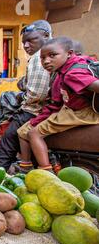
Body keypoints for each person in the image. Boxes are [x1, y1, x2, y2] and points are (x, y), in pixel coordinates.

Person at [16, 37, 99, 173]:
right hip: (72, 109)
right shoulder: (66, 70)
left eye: (52, 55)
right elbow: (56, 102)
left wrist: (36, 121)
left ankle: (46, 171)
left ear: (69, 53)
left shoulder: (71, 74)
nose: (46, 61)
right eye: (42, 58)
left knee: (34, 134)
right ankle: (26, 165)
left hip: (81, 113)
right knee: (24, 131)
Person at [0, 20, 52, 172]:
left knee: (5, 148)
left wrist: (23, 99)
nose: (25, 46)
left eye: (31, 40)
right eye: (24, 42)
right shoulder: (56, 53)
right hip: (51, 110)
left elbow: (36, 95)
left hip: (33, 111)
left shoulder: (41, 57)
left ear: (46, 35)